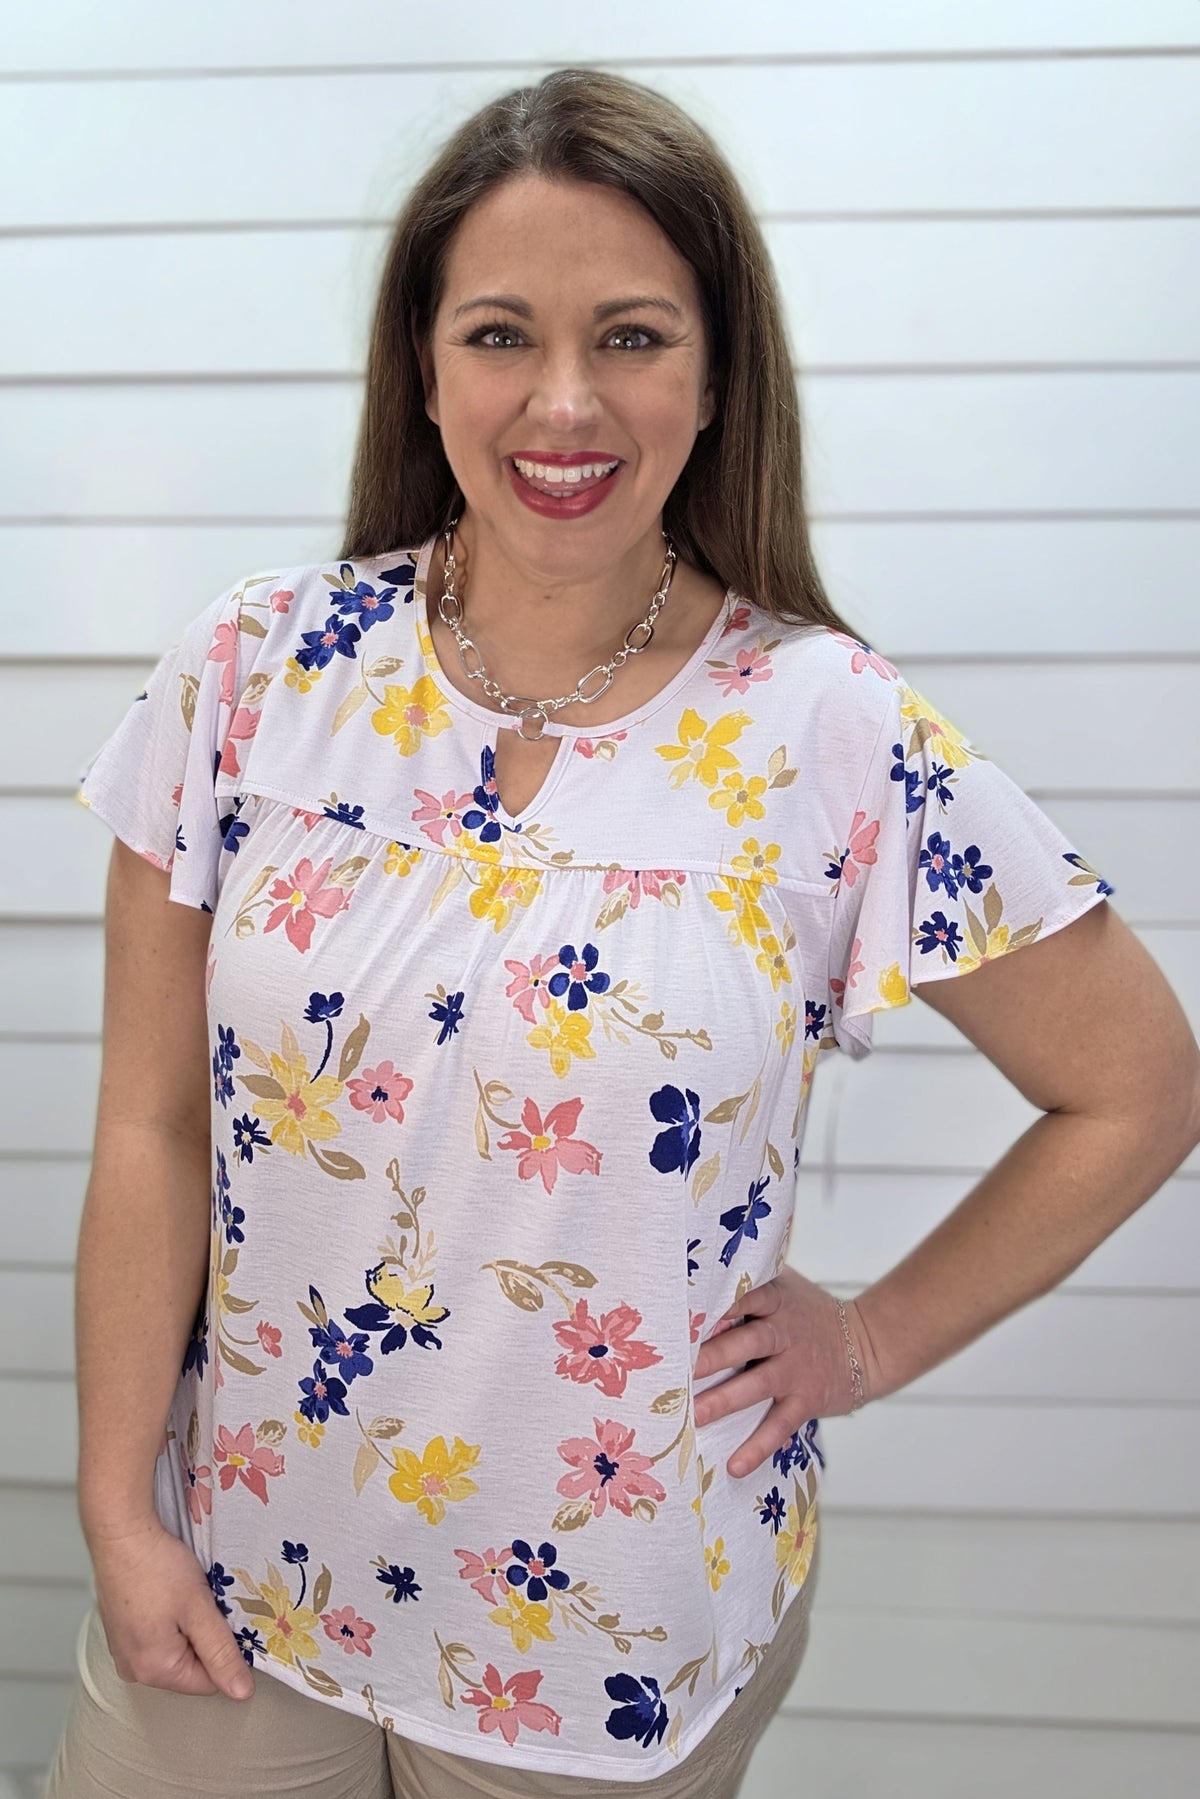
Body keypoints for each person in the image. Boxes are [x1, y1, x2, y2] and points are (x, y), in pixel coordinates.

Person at [46, 64, 1199, 1799]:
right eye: (500, 333)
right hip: (239, 1577)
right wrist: (114, 1510)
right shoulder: (253, 672)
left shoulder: (827, 732)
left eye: (636, 337)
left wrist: (870, 1341)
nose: (563, 402)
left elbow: (1139, 1084)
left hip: (609, 1653)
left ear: (717, 369)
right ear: (422, 364)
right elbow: (147, 1128)